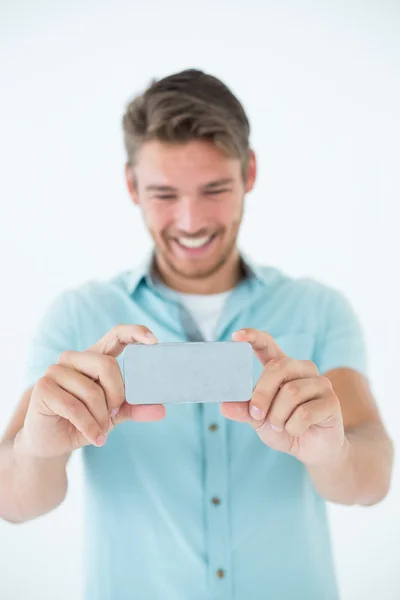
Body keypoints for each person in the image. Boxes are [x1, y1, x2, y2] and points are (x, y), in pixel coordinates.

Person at [0, 69, 393, 600]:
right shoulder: (77, 317)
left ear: (249, 172)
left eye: (214, 189)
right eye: (164, 193)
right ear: (132, 186)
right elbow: (13, 501)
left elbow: (373, 479)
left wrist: (333, 454)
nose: (190, 221)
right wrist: (37, 452)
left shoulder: (318, 309)